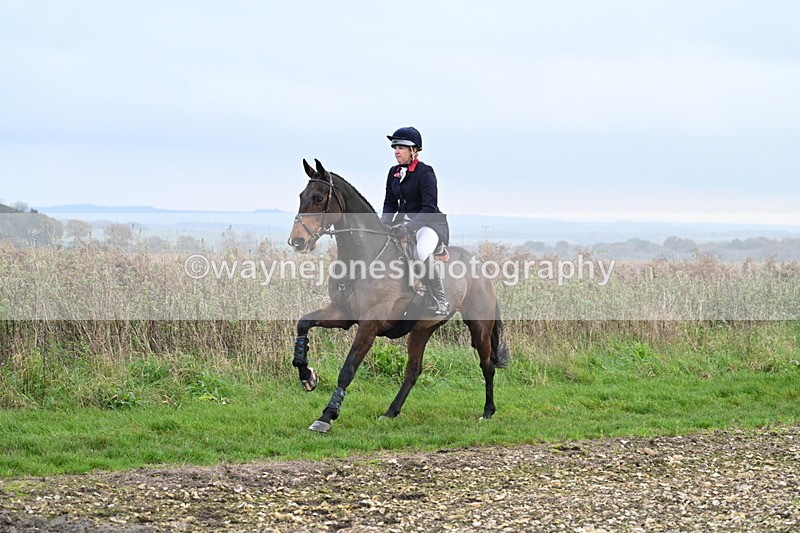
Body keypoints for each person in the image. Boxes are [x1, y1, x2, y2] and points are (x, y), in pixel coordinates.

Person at [381, 126, 451, 315]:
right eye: (395, 147)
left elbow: (429, 206)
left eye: (401, 147)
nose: (396, 151)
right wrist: (384, 224)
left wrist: (410, 228)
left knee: (421, 251)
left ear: (413, 150)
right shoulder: (393, 172)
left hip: (428, 223)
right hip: (402, 222)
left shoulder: (425, 172)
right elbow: (389, 203)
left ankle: (440, 299)